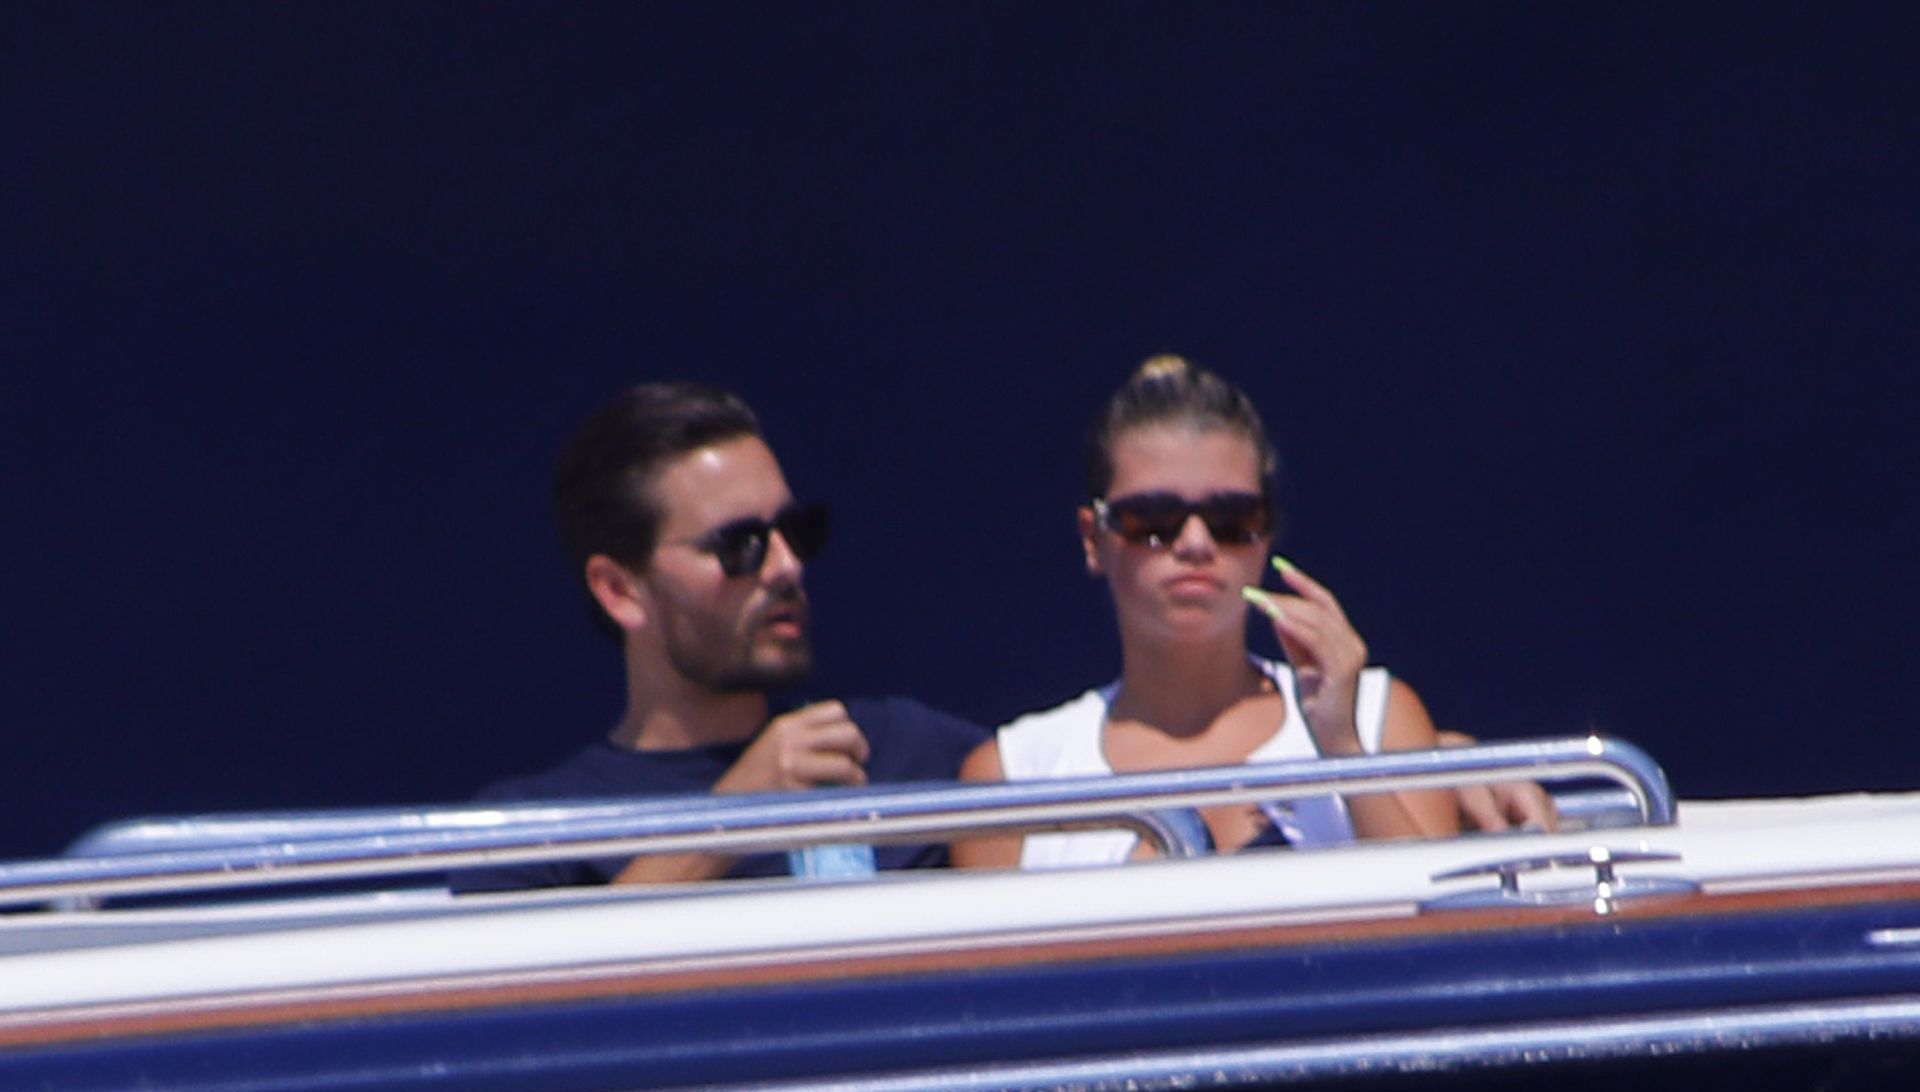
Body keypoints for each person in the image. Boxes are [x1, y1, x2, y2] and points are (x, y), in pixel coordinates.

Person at [952, 356, 1550, 869]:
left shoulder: (1376, 718)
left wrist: (1341, 746)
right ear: (1093, 539)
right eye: (1153, 521)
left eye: (1231, 520)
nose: (1195, 545)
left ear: (1267, 535)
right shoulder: (1015, 775)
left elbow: (1432, 935)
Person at [456, 381, 984, 892]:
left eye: (795, 531)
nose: (786, 566)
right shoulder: (534, 834)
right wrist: (735, 815)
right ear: (620, 590)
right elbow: (556, 957)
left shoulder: (904, 751)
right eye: (739, 546)